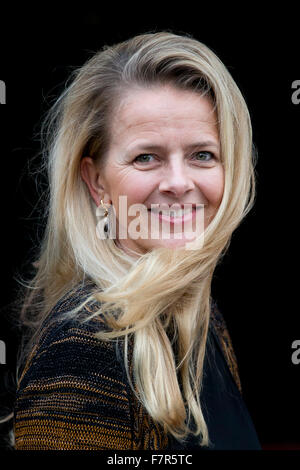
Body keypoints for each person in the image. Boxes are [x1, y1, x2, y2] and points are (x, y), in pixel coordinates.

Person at [12, 31, 261, 450]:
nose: (179, 183)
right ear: (96, 182)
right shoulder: (80, 351)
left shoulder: (203, 321)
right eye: (146, 157)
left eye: (203, 154)